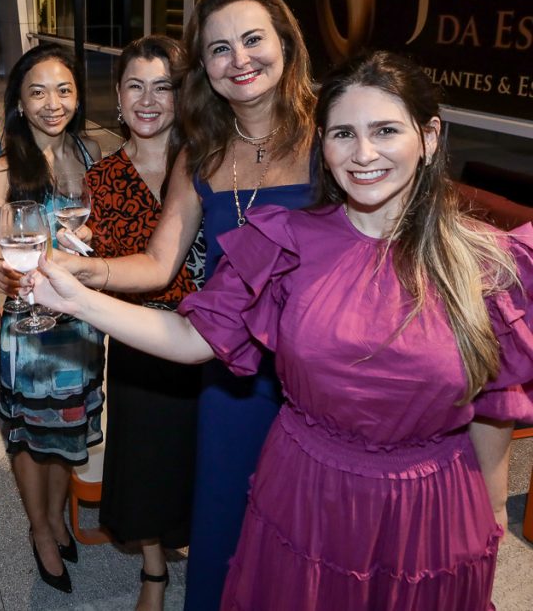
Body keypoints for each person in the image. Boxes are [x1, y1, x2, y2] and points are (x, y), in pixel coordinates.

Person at [30, 49, 533, 610]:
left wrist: (491, 515)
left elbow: (493, 404)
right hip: (308, 494)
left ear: (430, 137)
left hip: (428, 512)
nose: (363, 153)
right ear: (323, 145)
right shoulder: (286, 242)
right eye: (343, 133)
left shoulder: (486, 263)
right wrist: (78, 298)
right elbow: (192, 340)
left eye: (386, 130)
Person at [57, 0, 315, 610]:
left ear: (285, 44)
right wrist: (79, 272)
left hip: (316, 371)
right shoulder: (202, 153)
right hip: (232, 372)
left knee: (305, 531)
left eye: (253, 40)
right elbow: (157, 262)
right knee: (226, 518)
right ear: (204, 66)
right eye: (220, 48)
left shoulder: (330, 136)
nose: (239, 59)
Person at [0, 42, 103, 594]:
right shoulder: (5, 168)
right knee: (31, 436)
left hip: (80, 319)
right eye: (38, 92)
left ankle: (56, 517)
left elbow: (102, 232)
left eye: (63, 90)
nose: (52, 104)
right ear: (20, 103)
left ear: (77, 97)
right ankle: (40, 529)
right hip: (29, 325)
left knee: (67, 428)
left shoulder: (92, 154)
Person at [85, 35, 199, 611]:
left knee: (207, 458)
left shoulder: (208, 163)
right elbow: (102, 264)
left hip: (212, 340)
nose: (148, 100)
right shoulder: (102, 178)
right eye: (136, 86)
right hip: (141, 338)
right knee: (147, 461)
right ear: (118, 95)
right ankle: (154, 571)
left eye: (163, 87)